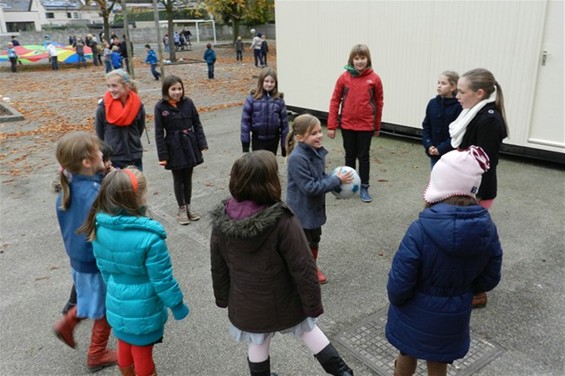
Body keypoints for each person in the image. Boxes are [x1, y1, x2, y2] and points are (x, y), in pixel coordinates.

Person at [210, 150, 354, 376]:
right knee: (308, 331)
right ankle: (342, 373)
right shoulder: (282, 220)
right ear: (270, 182)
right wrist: (312, 305)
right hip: (286, 299)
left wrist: (222, 297)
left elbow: (218, 265)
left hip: (248, 303)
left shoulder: (222, 219)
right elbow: (303, 266)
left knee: (258, 341)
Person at [386, 146, 503, 376]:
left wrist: (398, 300)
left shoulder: (420, 229)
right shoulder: (487, 228)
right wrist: (466, 290)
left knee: (406, 354)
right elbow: (491, 276)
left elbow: (400, 282)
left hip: (413, 312)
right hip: (453, 316)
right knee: (439, 363)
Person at [79, 167, 190, 376]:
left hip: (116, 299)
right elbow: (162, 280)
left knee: (124, 345)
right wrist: (177, 305)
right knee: (142, 353)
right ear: (136, 199)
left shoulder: (99, 228)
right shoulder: (150, 238)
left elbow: (103, 268)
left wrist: (113, 286)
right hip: (143, 306)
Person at [51, 131, 118, 372]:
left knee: (92, 299)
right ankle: (97, 354)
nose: (103, 153)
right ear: (87, 162)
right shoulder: (93, 193)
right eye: (98, 151)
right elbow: (106, 228)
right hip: (94, 260)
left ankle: (67, 323)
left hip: (78, 259)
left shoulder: (68, 188)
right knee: (105, 308)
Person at [449, 68, 508, 308]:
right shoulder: (473, 113)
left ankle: (478, 290)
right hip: (466, 187)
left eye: (462, 92)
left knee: (473, 242)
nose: (457, 96)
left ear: (479, 93)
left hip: (477, 191)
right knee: (463, 239)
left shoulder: (489, 120)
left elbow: (483, 162)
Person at [286, 114, 353, 284]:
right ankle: (304, 272)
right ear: (300, 137)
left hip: (313, 208)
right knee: (303, 244)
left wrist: (336, 184)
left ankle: (311, 267)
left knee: (315, 239)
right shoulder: (297, 158)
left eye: (319, 131)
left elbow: (321, 177)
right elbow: (309, 187)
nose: (319, 136)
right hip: (301, 211)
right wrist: (336, 180)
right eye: (313, 133)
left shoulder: (316, 152)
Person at [327, 44, 384, 203]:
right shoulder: (344, 78)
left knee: (363, 157)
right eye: (356, 58)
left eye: (362, 58)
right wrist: (332, 125)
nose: (359, 61)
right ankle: (348, 185)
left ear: (368, 59)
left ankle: (364, 186)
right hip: (347, 125)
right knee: (350, 156)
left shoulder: (374, 79)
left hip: (366, 126)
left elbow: (379, 103)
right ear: (352, 60)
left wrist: (377, 125)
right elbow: (334, 101)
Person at [154, 75, 208, 225]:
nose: (177, 92)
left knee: (188, 178)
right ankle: (181, 209)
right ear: (166, 90)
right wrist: (163, 155)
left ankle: (189, 206)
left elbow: (197, 123)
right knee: (178, 179)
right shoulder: (160, 107)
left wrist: (201, 143)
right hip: (174, 147)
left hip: (189, 144)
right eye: (173, 89)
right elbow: (159, 133)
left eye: (179, 88)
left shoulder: (188, 103)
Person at [95, 69, 146, 170]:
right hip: (114, 157)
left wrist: (133, 141)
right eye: (108, 86)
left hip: (134, 155)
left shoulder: (138, 105)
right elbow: (100, 133)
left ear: (126, 86)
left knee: (137, 184)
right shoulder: (103, 108)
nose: (111, 89)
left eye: (114, 86)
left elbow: (139, 129)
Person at [240, 68, 289, 156]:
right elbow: (245, 122)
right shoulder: (252, 99)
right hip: (258, 138)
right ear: (261, 81)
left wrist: (284, 146)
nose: (269, 84)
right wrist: (245, 142)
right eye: (266, 81)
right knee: (259, 164)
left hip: (273, 139)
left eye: (272, 82)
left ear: (275, 83)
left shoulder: (279, 100)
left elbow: (284, 125)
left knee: (270, 164)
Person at [422, 71, 462, 168]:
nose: (439, 86)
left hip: (451, 154)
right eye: (438, 83)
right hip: (434, 152)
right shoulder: (432, 103)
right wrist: (429, 145)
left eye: (443, 83)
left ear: (453, 87)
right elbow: (426, 125)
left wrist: (442, 148)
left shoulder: (459, 107)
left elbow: (458, 133)